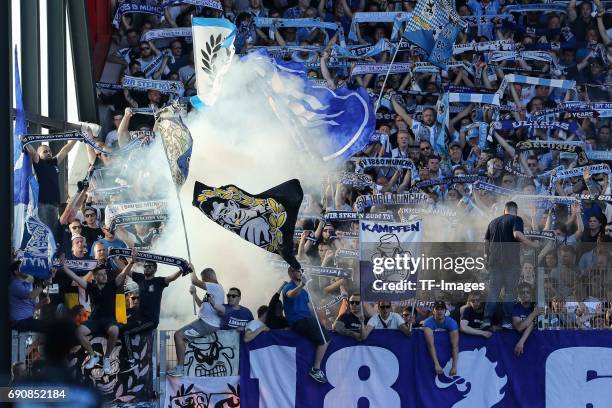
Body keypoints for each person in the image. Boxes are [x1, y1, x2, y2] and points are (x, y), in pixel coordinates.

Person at [60, 250, 134, 375]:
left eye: (105, 274)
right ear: (94, 277)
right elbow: (75, 277)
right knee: (79, 332)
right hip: (94, 320)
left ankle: (106, 358)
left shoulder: (112, 285)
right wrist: (63, 267)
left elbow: (123, 273)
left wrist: (132, 262)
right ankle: (93, 356)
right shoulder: (91, 287)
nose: (104, 276)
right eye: (100, 274)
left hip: (109, 320)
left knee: (115, 331)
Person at [483, 201, 540, 329]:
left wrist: (487, 258)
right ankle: (506, 321)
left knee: (493, 292)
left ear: (504, 210)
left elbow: (486, 243)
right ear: (516, 210)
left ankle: (486, 320)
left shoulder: (492, 222)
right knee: (510, 292)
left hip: (494, 262)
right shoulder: (516, 219)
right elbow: (517, 234)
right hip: (511, 263)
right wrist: (533, 244)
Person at [122, 260, 185, 364]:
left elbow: (171, 278)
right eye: (145, 266)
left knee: (126, 333)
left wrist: (181, 269)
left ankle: (131, 360)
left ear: (155, 269)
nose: (146, 268)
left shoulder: (159, 281)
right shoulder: (140, 278)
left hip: (150, 320)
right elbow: (125, 270)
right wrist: (114, 257)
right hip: (139, 318)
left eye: (150, 266)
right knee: (121, 328)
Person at [167, 267, 225, 377]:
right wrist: (194, 294)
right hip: (206, 322)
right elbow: (201, 306)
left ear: (209, 277)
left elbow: (194, 281)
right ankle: (184, 366)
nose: (203, 282)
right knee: (181, 336)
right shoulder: (213, 291)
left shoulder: (215, 287)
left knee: (178, 335)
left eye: (204, 280)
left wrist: (192, 268)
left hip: (207, 323)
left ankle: (180, 368)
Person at [282, 266, 330, 384]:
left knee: (326, 338)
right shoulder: (288, 287)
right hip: (298, 320)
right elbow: (290, 294)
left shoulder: (304, 291)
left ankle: (316, 368)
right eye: (297, 271)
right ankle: (316, 369)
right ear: (290, 273)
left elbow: (310, 309)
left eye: (300, 271)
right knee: (324, 339)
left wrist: (321, 320)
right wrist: (302, 285)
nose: (299, 273)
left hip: (307, 319)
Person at [22, 139, 77, 229]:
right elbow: (32, 152)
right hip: (43, 204)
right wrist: (26, 142)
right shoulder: (39, 163)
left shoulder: (54, 163)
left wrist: (75, 139)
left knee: (53, 231)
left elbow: (65, 150)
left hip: (55, 205)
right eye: (45, 151)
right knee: (47, 231)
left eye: (50, 151)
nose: (49, 153)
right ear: (39, 154)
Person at [9, 260, 49, 333]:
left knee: (48, 326)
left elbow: (33, 307)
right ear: (16, 272)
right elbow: (30, 295)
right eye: (22, 268)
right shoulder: (15, 284)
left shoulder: (28, 284)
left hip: (27, 319)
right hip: (19, 322)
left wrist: (43, 302)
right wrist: (43, 285)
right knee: (47, 327)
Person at [422, 301, 459, 375]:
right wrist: (436, 364)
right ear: (433, 311)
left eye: (442, 309)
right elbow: (430, 345)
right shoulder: (427, 323)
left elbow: (455, 346)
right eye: (437, 309)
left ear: (445, 311)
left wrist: (454, 366)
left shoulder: (452, 323)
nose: (440, 311)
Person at [512, 283, 545, 356]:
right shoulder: (516, 308)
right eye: (522, 292)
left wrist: (521, 341)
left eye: (528, 292)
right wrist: (534, 313)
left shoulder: (536, 306)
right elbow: (519, 327)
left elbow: (532, 324)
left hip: (537, 345)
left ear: (531, 294)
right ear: (519, 295)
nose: (525, 294)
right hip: (519, 347)